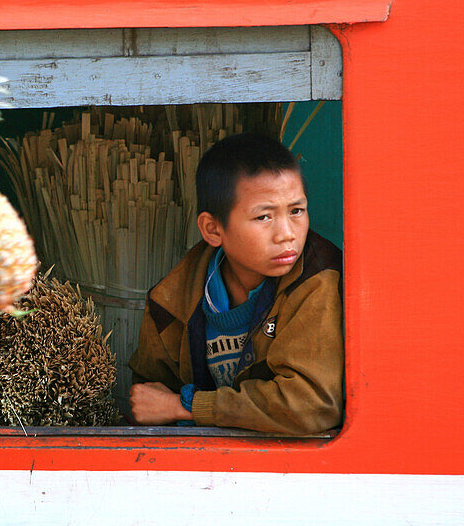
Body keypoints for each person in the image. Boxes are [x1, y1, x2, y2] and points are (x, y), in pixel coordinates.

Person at [127, 132, 343, 435]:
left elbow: (311, 405)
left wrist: (186, 406)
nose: (287, 234)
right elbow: (148, 403)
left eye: (296, 211)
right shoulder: (170, 302)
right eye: (264, 217)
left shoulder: (317, 280)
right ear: (213, 229)